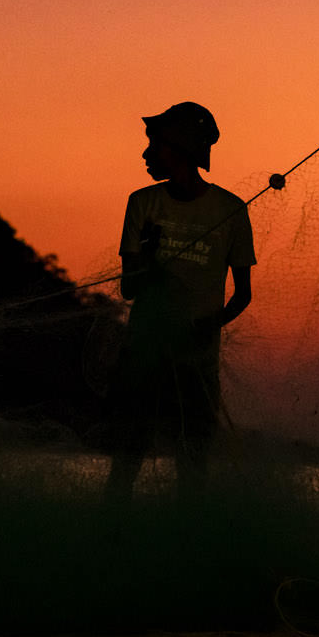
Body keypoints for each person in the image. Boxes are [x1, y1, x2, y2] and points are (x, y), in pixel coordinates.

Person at [106, 101, 255, 503]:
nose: (146, 154)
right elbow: (130, 290)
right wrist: (148, 256)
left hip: (196, 357)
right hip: (145, 349)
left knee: (193, 452)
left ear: (183, 150)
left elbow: (244, 294)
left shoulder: (231, 211)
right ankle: (111, 529)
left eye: (156, 145)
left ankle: (188, 532)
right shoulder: (141, 203)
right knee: (130, 449)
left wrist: (213, 323)